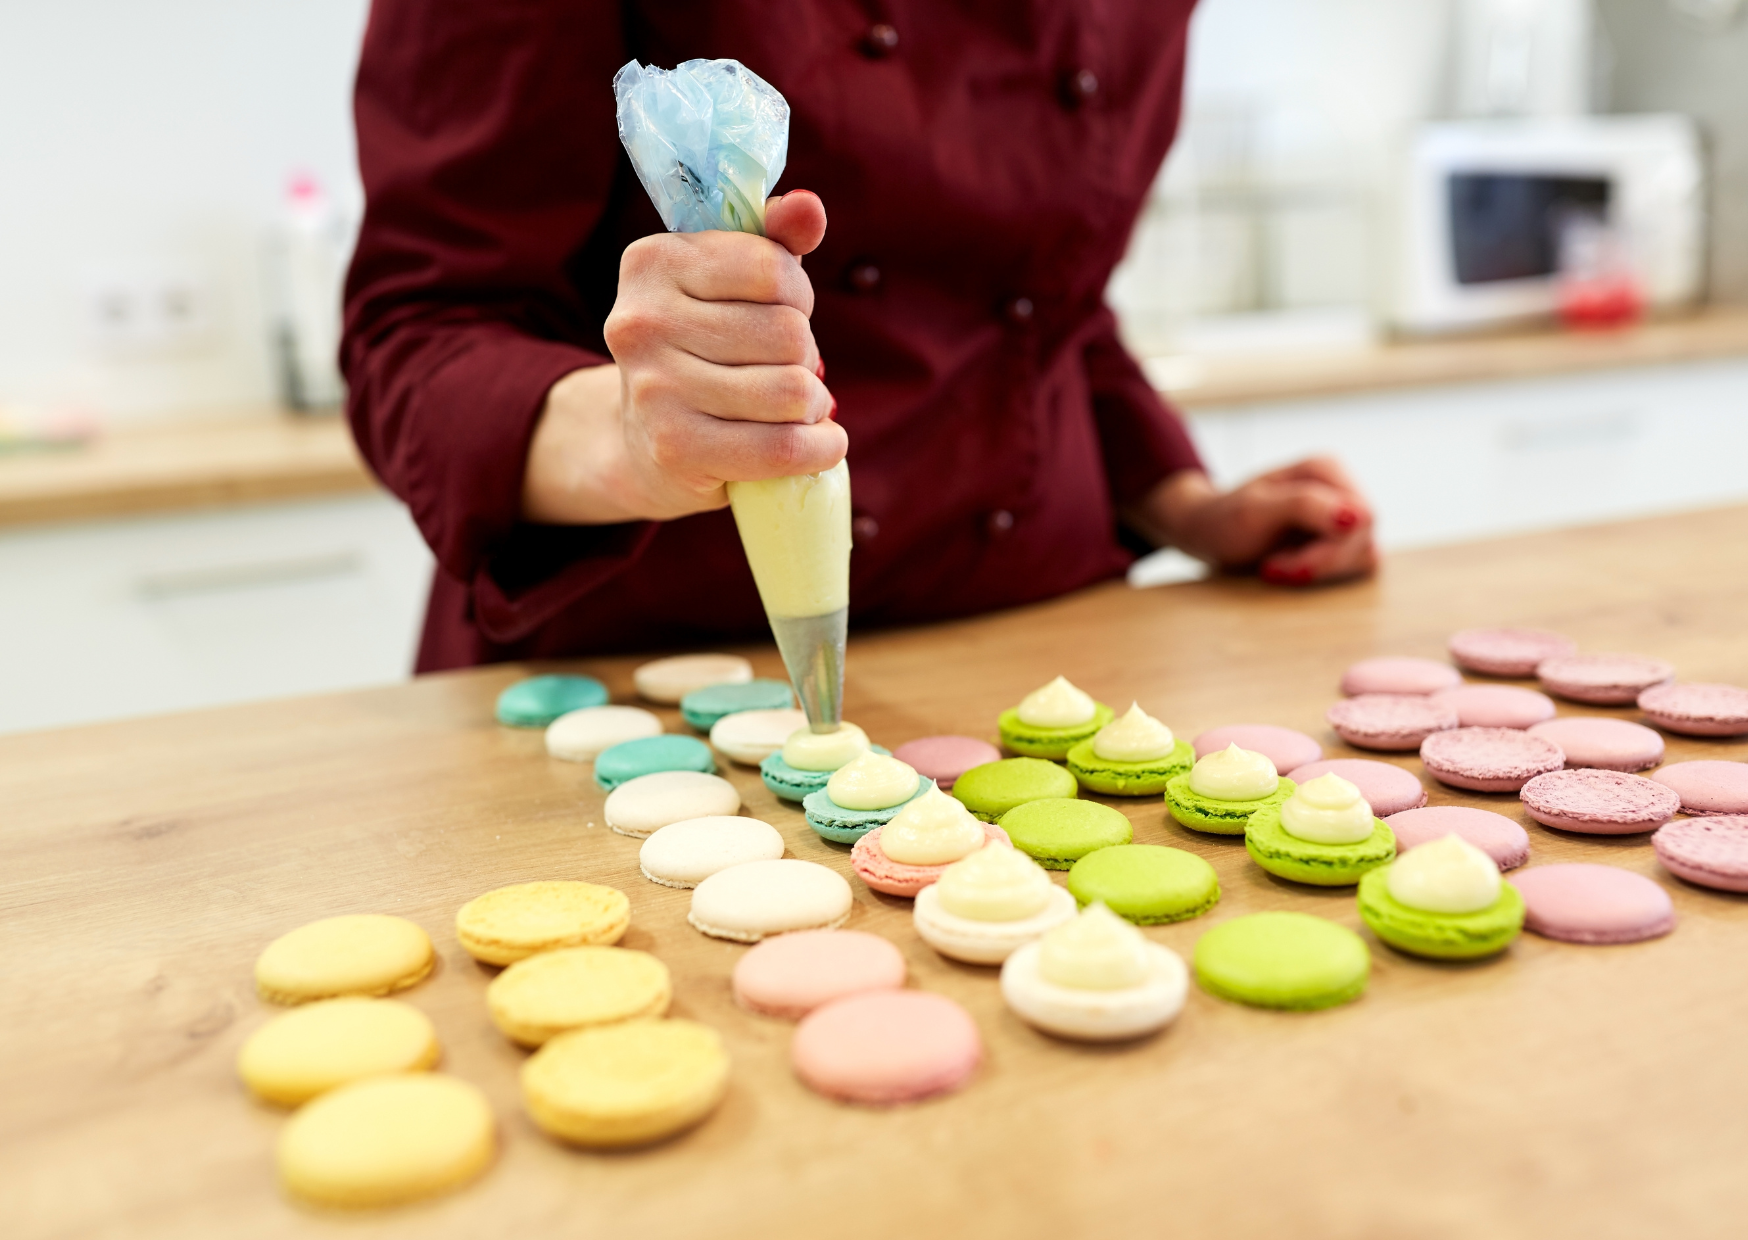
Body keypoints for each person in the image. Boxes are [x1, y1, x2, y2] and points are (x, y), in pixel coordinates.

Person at [343, 3, 1376, 672]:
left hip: (1040, 643)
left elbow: (1044, 298)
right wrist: (627, 437)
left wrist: (1188, 507)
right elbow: (419, 326)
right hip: (648, 661)